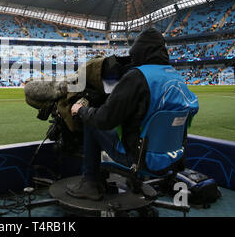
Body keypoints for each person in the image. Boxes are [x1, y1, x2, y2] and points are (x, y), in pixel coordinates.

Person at [67, 28, 199, 200]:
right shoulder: (177, 78)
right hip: (172, 158)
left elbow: (104, 119)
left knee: (91, 122)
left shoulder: (137, 77)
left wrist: (81, 110)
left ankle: (90, 182)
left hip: (137, 158)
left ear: (139, 50)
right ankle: (135, 182)